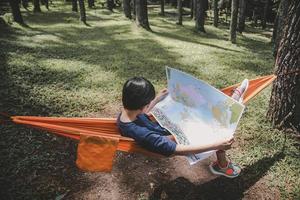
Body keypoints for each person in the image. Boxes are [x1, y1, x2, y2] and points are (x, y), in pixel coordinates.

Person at [117, 77, 248, 178]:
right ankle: (234, 101)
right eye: (148, 103)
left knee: (194, 106)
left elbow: (142, 113)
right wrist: (217, 145)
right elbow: (178, 150)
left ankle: (231, 101)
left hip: (166, 130)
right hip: (174, 140)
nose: (149, 105)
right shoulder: (143, 135)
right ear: (142, 105)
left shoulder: (126, 115)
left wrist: (156, 99)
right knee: (212, 125)